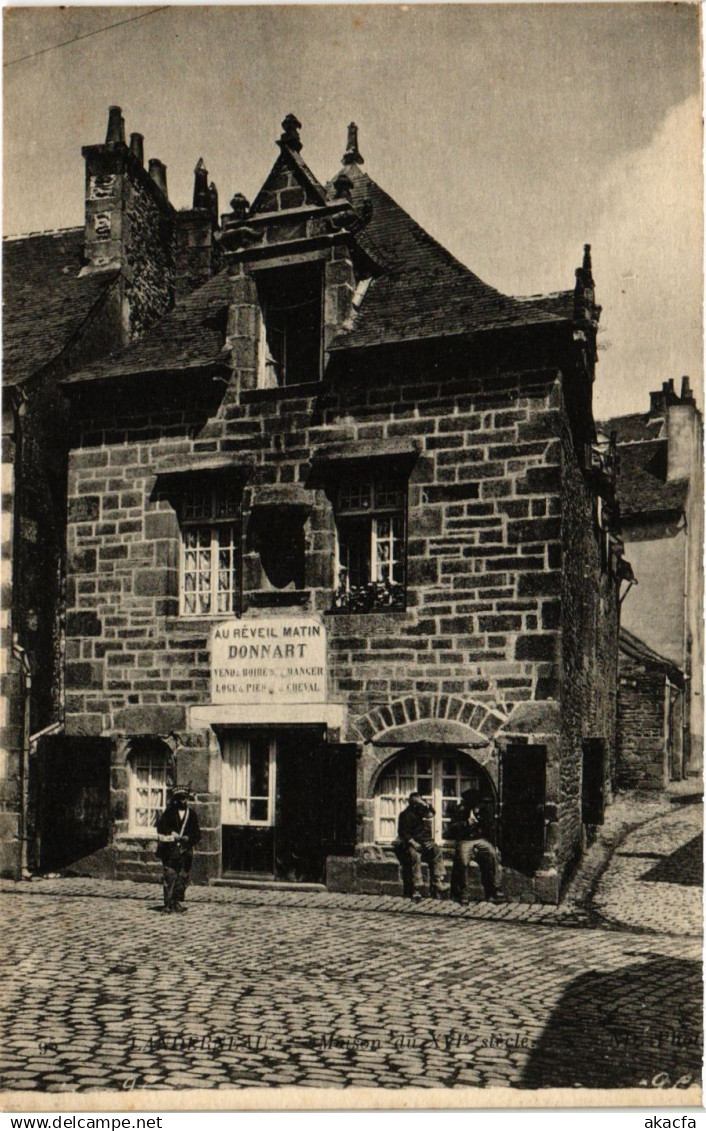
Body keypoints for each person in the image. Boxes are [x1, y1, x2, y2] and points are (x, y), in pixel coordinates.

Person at [449, 789, 503, 904]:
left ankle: (495, 888)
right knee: (463, 862)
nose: (478, 804)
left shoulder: (484, 810)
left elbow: (490, 828)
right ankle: (464, 893)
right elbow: (452, 827)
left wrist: (494, 845)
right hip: (465, 840)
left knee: (492, 854)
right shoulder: (460, 809)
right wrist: (465, 823)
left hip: (479, 839)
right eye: (476, 802)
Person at [156, 784, 201, 914]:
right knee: (170, 876)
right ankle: (167, 905)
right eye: (180, 798)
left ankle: (175, 902)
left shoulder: (191, 815)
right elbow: (161, 827)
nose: (182, 801)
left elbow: (197, 834)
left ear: (187, 799)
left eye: (184, 798)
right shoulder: (169, 813)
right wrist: (172, 833)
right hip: (170, 850)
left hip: (185, 851)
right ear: (175, 799)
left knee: (182, 878)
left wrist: (188, 838)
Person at [396, 791, 449, 902]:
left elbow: (431, 814)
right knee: (415, 857)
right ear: (411, 802)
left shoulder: (420, 811)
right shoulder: (404, 815)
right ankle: (417, 888)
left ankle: (438, 881)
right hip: (411, 844)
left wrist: (425, 804)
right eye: (416, 802)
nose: (418, 804)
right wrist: (413, 843)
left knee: (436, 850)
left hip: (423, 842)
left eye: (419, 801)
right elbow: (403, 833)